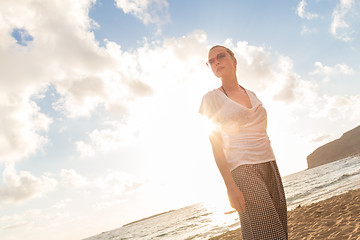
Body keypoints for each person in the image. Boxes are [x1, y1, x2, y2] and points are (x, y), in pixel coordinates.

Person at [199, 45, 288, 240]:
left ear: (234, 60)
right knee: (267, 234)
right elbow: (216, 146)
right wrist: (230, 187)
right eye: (211, 61)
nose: (216, 62)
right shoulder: (211, 99)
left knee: (281, 230)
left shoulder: (253, 94)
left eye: (220, 56)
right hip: (243, 170)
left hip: (270, 165)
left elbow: (262, 131)